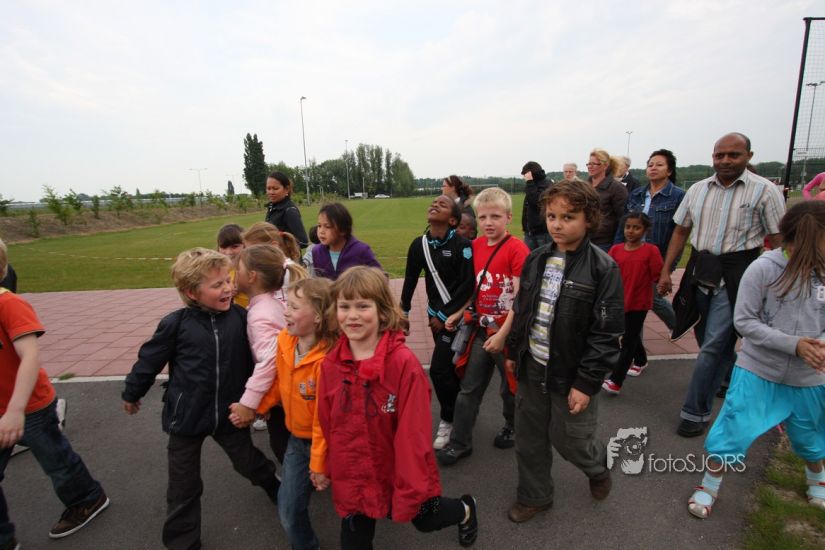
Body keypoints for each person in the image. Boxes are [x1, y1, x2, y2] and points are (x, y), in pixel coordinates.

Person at [310, 267, 479, 549]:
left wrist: (410, 487)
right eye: (344, 306)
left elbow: (414, 434)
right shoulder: (331, 364)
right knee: (354, 540)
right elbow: (327, 422)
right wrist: (323, 463)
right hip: (355, 473)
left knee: (426, 519)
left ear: (382, 310)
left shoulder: (403, 365)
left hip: (400, 470)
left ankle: (465, 509)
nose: (352, 315)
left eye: (363, 306)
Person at [122, 248, 279, 550]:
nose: (228, 288)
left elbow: (256, 364)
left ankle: (275, 487)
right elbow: (149, 361)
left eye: (228, 280)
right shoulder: (176, 324)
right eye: (217, 285)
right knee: (183, 485)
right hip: (186, 417)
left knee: (248, 462)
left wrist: (259, 403)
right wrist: (132, 392)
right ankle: (183, 541)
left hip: (229, 414)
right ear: (192, 292)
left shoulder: (241, 318)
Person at [686, 201, 825, 518]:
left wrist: (820, 346)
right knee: (733, 429)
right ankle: (709, 484)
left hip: (809, 378)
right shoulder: (763, 269)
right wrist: (793, 345)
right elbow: (744, 321)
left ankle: (817, 476)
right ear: (800, 240)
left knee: (811, 434)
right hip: (758, 372)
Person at [504, 181, 623, 523]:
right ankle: (535, 496)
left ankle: (597, 467)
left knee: (571, 439)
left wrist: (586, 382)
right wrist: (513, 350)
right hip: (532, 364)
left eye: (568, 217)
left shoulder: (603, 268)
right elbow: (522, 309)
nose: (557, 224)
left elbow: (606, 333)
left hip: (571, 372)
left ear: (590, 219)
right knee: (529, 438)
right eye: (552, 216)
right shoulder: (536, 259)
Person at [657, 133, 786, 438]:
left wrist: (780, 279)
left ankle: (695, 412)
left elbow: (779, 239)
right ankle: (731, 378)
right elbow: (681, 231)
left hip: (738, 274)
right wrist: (665, 271)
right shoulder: (698, 189)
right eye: (719, 155)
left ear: (748, 156)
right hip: (700, 271)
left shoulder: (765, 191)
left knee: (713, 346)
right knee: (708, 339)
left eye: (734, 155)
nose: (725, 161)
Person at [0, 239, 109, 547]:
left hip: (30, 407)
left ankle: (87, 499)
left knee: (58, 462)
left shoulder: (9, 305)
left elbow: (30, 357)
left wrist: (15, 410)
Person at [437, 187, 530, 465]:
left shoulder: (517, 249)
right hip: (481, 329)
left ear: (508, 217)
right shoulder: (475, 246)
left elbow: (520, 300)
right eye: (483, 217)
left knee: (510, 387)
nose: (488, 222)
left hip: (507, 334)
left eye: (495, 216)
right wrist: (458, 312)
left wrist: (503, 335)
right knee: (469, 387)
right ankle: (460, 442)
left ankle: (513, 425)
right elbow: (473, 288)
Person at [247, 278, 335, 550]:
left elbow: (324, 419)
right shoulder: (286, 340)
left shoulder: (329, 361)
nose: (285, 312)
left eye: (294, 307)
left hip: (330, 444)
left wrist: (318, 464)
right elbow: (280, 382)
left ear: (318, 317)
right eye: (287, 304)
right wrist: (260, 406)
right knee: (288, 509)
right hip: (297, 441)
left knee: (355, 503)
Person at [401, 196, 475, 449]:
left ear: (452, 220)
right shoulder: (418, 245)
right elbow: (410, 279)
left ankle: (448, 419)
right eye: (433, 203)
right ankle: (460, 412)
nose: (434, 205)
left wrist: (444, 316)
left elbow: (467, 284)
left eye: (442, 205)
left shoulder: (463, 245)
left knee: (440, 369)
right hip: (434, 316)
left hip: (455, 317)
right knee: (450, 369)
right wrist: (404, 311)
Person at [617, 149, 686, 375]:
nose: (653, 168)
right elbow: (624, 225)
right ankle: (636, 352)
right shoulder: (637, 194)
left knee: (645, 301)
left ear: (670, 170)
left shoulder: (678, 196)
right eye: (650, 164)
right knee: (633, 302)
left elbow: (679, 233)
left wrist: (667, 267)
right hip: (632, 255)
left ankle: (674, 327)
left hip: (658, 255)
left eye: (659, 164)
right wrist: (617, 250)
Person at [227, 244, 289, 458]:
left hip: (280, 396)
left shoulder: (260, 315)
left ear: (252, 276)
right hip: (283, 390)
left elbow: (270, 360)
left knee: (283, 446)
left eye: (238, 269)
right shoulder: (272, 304)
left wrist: (249, 403)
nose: (234, 273)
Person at [602, 213, 663, 395]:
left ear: (645, 230)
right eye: (628, 227)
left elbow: (658, 275)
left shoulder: (651, 251)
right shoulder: (615, 250)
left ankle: (616, 381)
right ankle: (641, 360)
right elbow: (606, 273)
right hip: (617, 302)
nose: (631, 231)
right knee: (630, 334)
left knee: (627, 341)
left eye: (636, 227)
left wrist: (663, 283)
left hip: (638, 303)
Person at [312, 203, 382, 281]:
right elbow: (319, 281)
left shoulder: (361, 250)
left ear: (343, 230)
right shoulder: (316, 252)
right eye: (319, 226)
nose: (321, 231)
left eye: (327, 226)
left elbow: (381, 277)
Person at [586, 148, 627, 252]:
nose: (590, 166)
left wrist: (617, 245)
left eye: (594, 164)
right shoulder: (584, 187)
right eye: (589, 164)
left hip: (604, 243)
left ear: (605, 166)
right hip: (584, 240)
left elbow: (623, 218)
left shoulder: (617, 188)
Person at [265, 171, 309, 248]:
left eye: (275, 188)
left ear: (287, 189)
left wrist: (279, 246)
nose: (271, 192)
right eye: (268, 188)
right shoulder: (272, 207)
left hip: (286, 256)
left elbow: (303, 242)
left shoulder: (289, 210)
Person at [520, 161, 553, 251]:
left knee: (543, 257)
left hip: (542, 232)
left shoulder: (546, 184)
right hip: (530, 231)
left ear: (530, 174)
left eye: (525, 175)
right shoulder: (534, 184)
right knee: (528, 257)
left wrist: (529, 182)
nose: (524, 177)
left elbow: (536, 201)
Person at [216, 223, 248, 308]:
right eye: (223, 247)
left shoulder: (252, 265)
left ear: (245, 245)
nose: (228, 252)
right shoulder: (218, 268)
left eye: (234, 247)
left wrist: (244, 287)